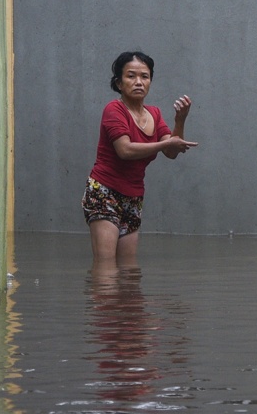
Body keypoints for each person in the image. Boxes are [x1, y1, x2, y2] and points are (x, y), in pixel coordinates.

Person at [84, 51, 196, 262]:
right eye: (131, 76)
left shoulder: (154, 113)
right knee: (105, 266)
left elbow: (171, 152)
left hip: (134, 196)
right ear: (119, 83)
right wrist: (166, 143)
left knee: (129, 271)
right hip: (104, 192)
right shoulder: (113, 109)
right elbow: (125, 150)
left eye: (144, 76)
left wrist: (180, 121)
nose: (138, 82)